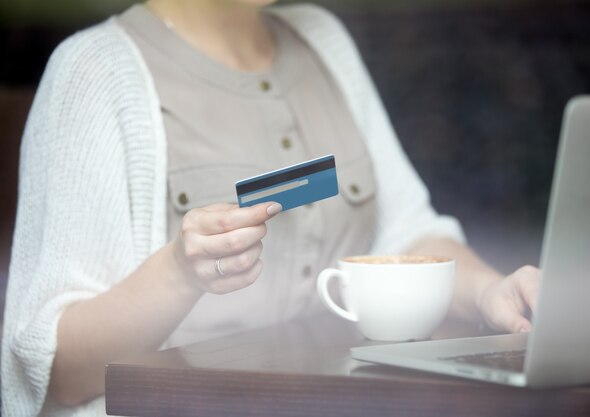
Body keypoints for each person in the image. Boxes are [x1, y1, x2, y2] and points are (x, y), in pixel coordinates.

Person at [1, 0, 540, 415]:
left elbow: (409, 236)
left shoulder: (322, 40)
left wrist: (491, 293)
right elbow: (59, 370)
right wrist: (179, 272)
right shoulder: (92, 72)